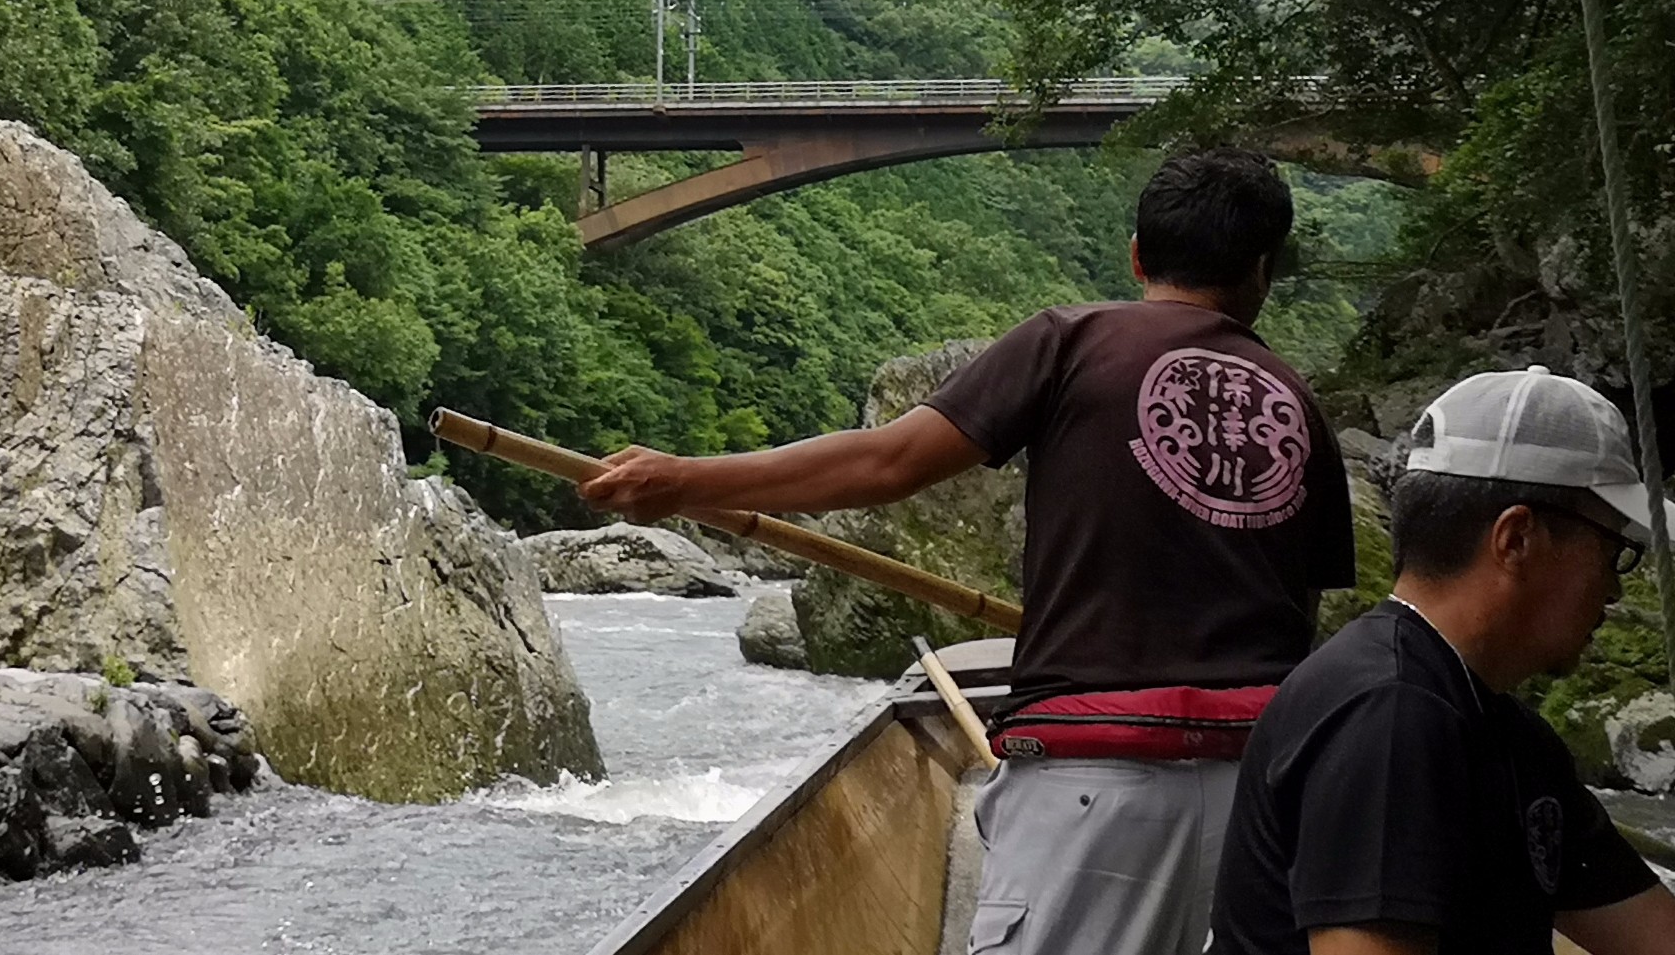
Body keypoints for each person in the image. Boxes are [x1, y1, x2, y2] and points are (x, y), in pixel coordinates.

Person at [582, 147, 1356, 954]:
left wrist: (687, 481)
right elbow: (1295, 626)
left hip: (1091, 782)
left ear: (1136, 253)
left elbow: (888, 461)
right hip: (1264, 796)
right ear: (1265, 271)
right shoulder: (1300, 404)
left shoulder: (1071, 340)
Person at [1210, 366, 1675, 954]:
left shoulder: (1509, 736)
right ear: (1516, 540)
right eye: (1615, 552)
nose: (1615, 589)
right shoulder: (1389, 715)